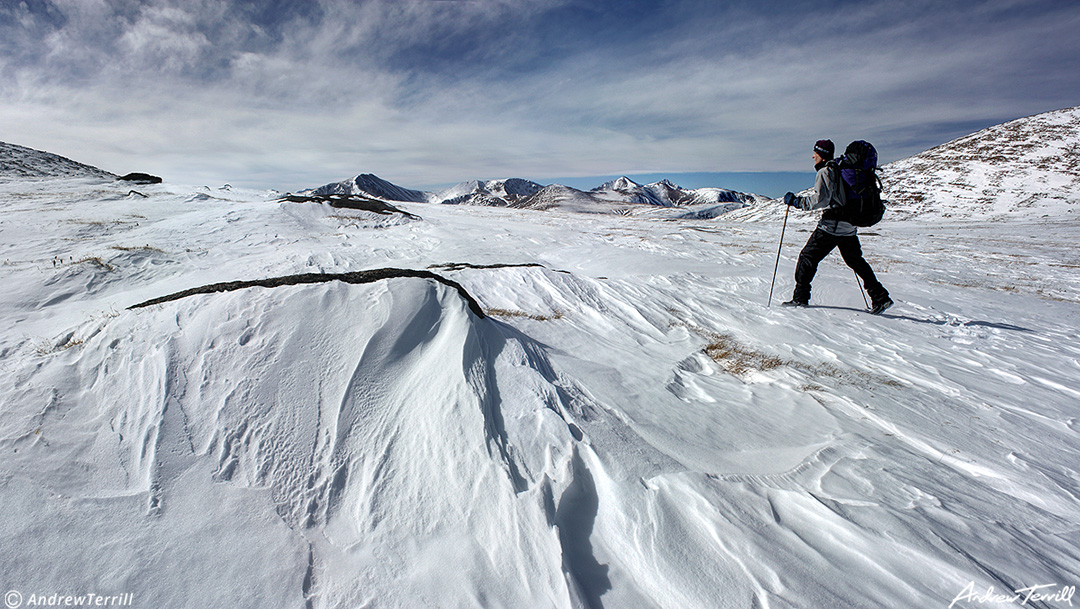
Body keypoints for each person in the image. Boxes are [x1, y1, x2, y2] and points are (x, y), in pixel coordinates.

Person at [781, 139, 893, 314]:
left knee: (807, 257)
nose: (813, 156)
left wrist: (796, 201)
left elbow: (821, 200)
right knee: (855, 261)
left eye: (815, 153)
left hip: (831, 226)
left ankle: (800, 298)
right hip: (849, 225)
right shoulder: (841, 169)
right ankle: (880, 297)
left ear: (821, 154)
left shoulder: (826, 171)